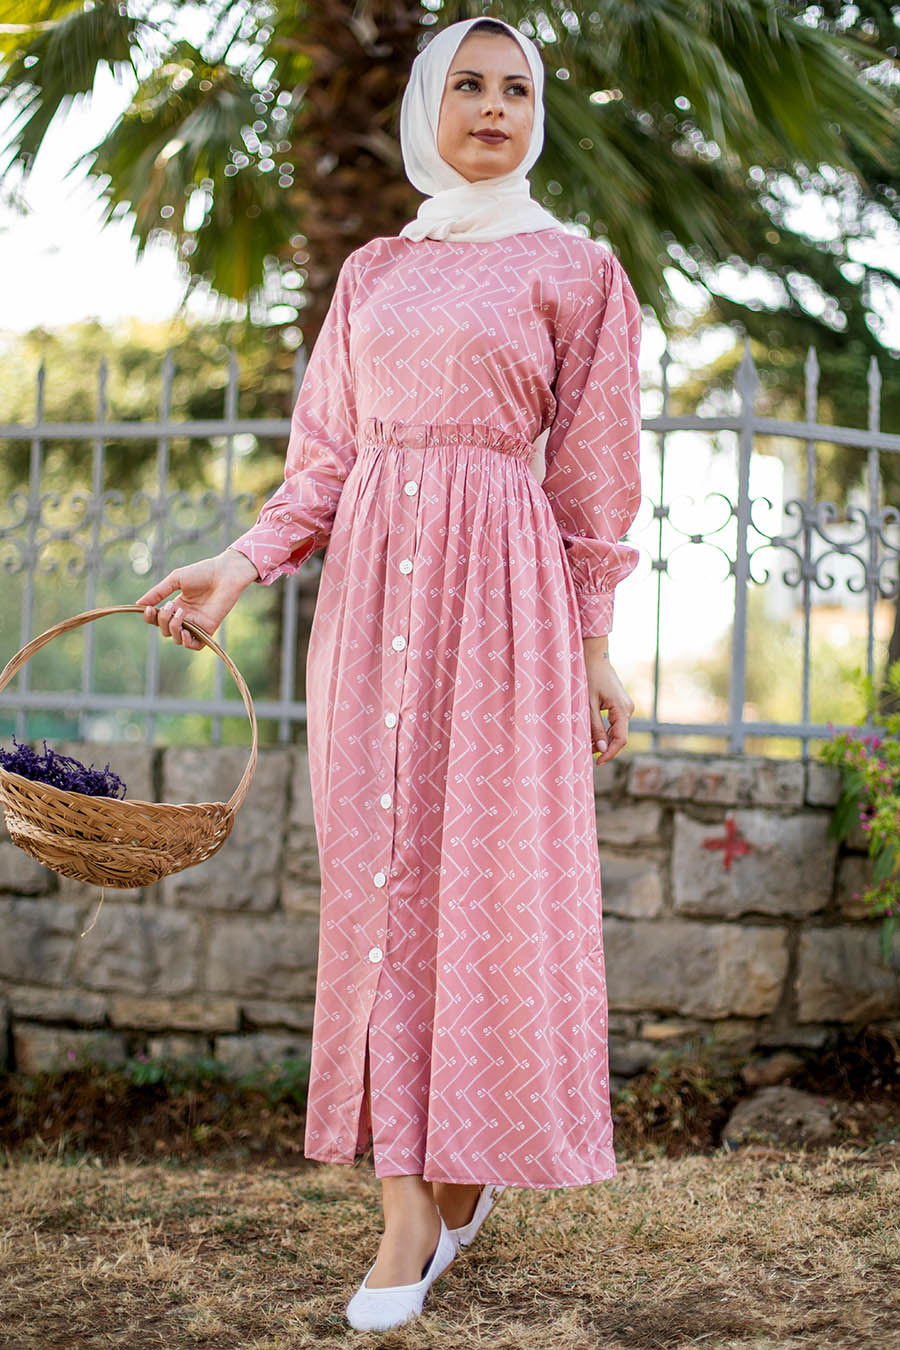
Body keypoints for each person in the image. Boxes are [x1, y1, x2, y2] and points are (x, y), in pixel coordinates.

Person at [135, 15, 642, 1334]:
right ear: (429, 106)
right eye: (467, 84)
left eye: (516, 87)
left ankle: (460, 1177)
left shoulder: (576, 270)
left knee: (480, 887)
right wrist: (238, 565)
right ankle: (410, 1202)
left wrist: (594, 644)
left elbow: (593, 480)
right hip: (370, 608)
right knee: (379, 883)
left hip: (506, 612)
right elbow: (323, 461)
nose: (492, 106)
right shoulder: (372, 272)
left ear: (540, 110)